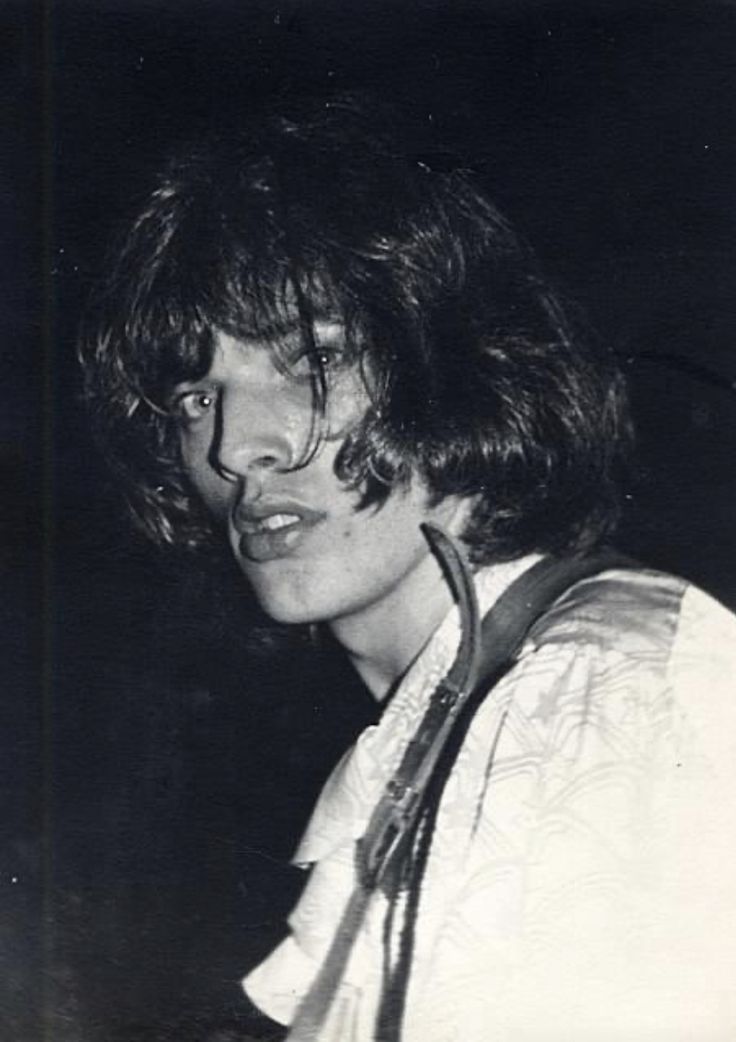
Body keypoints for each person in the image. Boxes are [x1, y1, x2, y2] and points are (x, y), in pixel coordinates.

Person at [80, 98, 736, 1041]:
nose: (236, 448)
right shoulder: (457, 713)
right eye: (195, 396)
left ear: (461, 371)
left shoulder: (593, 696)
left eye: (312, 362)